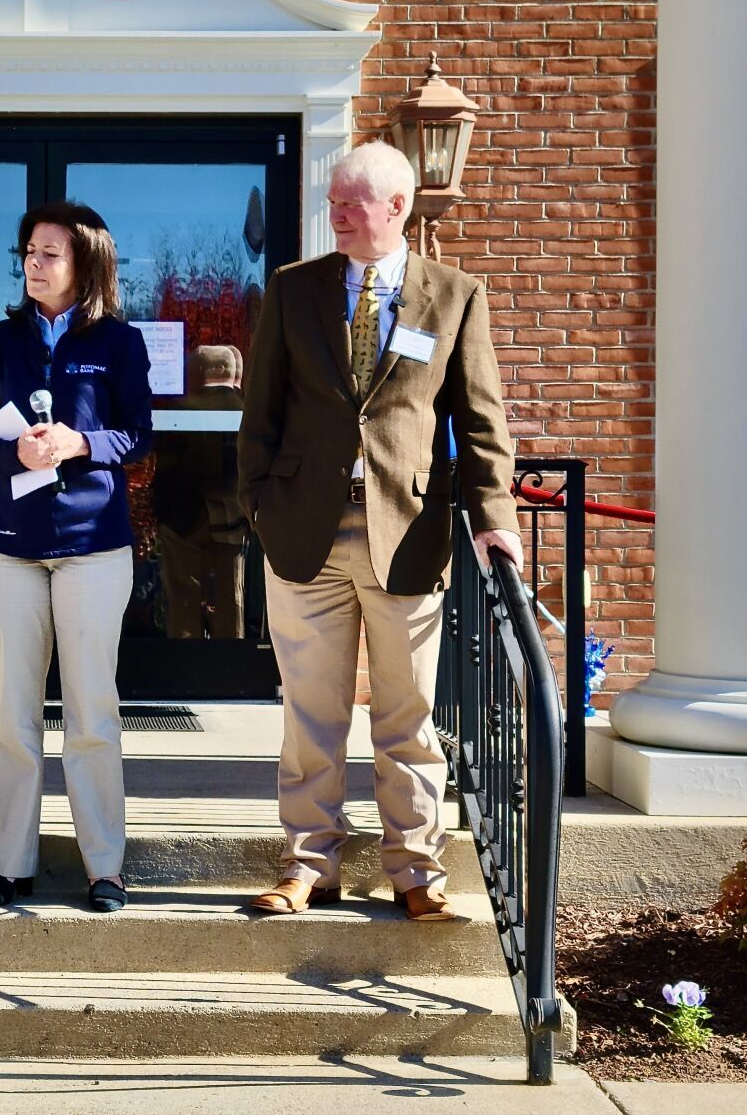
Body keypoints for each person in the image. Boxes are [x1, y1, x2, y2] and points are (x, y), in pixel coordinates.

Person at [237, 141, 521, 923]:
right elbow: (258, 415)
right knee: (310, 711)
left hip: (410, 531)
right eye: (333, 201)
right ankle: (307, 865)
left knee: (407, 712)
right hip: (304, 534)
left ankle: (416, 870)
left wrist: (495, 520)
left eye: (352, 203)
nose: (337, 214)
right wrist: (260, 504)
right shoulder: (295, 291)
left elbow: (482, 419)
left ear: (397, 207)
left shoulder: (456, 295)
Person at [0, 200, 153, 914]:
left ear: (85, 264)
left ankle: (106, 868)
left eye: (49, 254)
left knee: (91, 712)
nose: (34, 265)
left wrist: (80, 443)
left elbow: (138, 436)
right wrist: (12, 449)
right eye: (29, 253)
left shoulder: (122, 343)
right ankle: (10, 866)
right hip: (9, 546)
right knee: (13, 713)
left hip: (92, 548)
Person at [151, 345, 248, 639]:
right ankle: (232, 670)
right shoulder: (248, 408)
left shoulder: (179, 409)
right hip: (234, 517)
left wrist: (161, 514)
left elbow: (165, 466)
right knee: (232, 599)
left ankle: (182, 671)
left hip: (183, 518)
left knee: (183, 599)